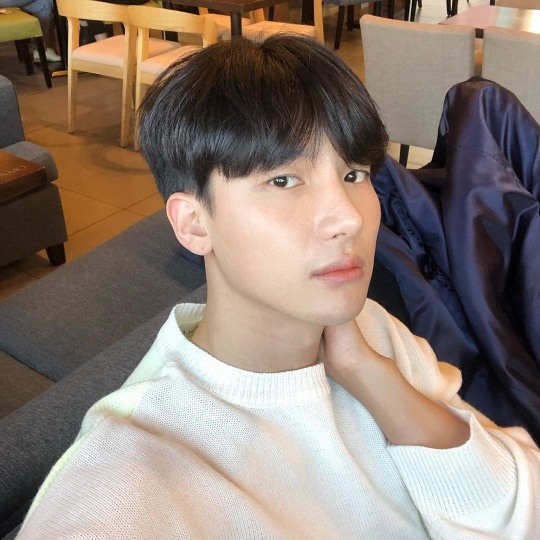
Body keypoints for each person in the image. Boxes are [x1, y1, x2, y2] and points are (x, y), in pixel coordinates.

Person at [17, 35, 539, 538]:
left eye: (354, 174)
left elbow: (524, 510)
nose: (349, 219)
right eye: (283, 180)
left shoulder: (370, 331)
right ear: (194, 224)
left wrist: (371, 377)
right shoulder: (125, 482)